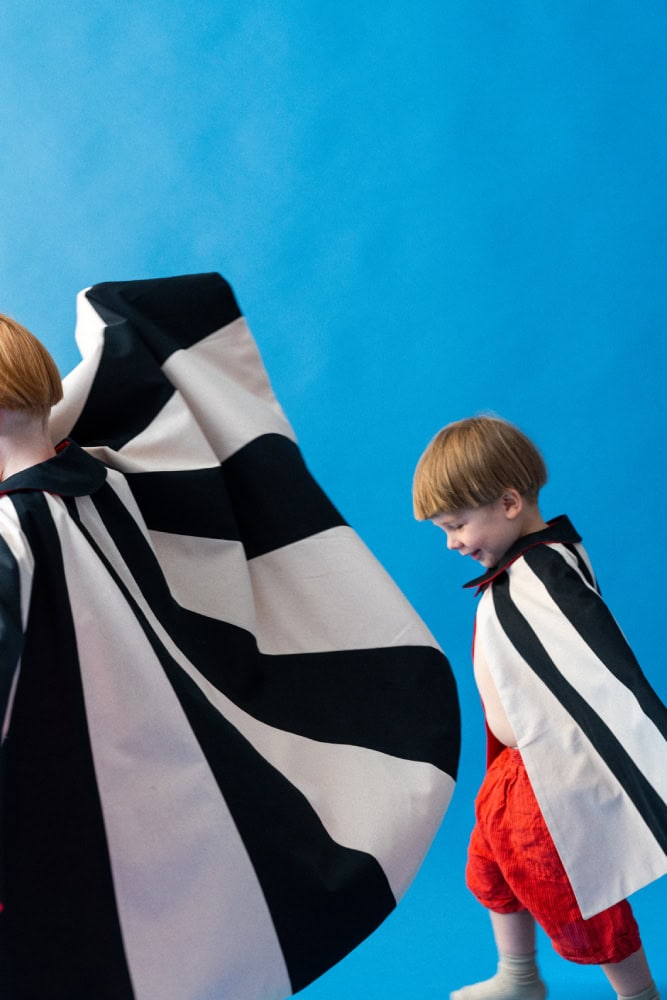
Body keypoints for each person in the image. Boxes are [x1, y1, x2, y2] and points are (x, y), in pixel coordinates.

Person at [0, 274, 460, 1000]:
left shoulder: (10, 539)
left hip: (76, 808)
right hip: (177, 793)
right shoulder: (108, 480)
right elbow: (179, 433)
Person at [412, 415, 665, 1000]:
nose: (452, 542)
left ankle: (640, 995)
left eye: (457, 525)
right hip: (511, 768)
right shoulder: (522, 565)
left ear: (507, 503)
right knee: (491, 867)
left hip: (547, 774)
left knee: (571, 889)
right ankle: (518, 977)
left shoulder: (545, 570)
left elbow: (604, 662)